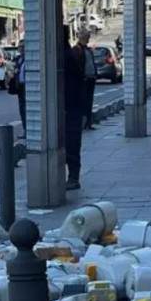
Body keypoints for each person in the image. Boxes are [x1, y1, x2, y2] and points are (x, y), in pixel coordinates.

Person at [64, 26, 86, 190]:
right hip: (73, 105)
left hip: (70, 106)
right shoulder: (71, 54)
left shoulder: (68, 56)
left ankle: (73, 176)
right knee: (72, 142)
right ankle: (72, 175)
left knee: (71, 141)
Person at [74, 29, 98, 130]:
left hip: (90, 78)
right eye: (87, 37)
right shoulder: (77, 50)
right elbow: (76, 65)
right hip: (84, 80)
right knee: (83, 102)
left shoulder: (88, 50)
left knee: (89, 101)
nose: (88, 38)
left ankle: (88, 122)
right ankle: (83, 123)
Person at [10, 39, 27, 138]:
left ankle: (28, 130)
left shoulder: (28, 59)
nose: (21, 49)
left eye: (23, 47)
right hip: (20, 86)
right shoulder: (18, 59)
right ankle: (25, 129)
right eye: (19, 47)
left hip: (26, 86)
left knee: (26, 109)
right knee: (22, 109)